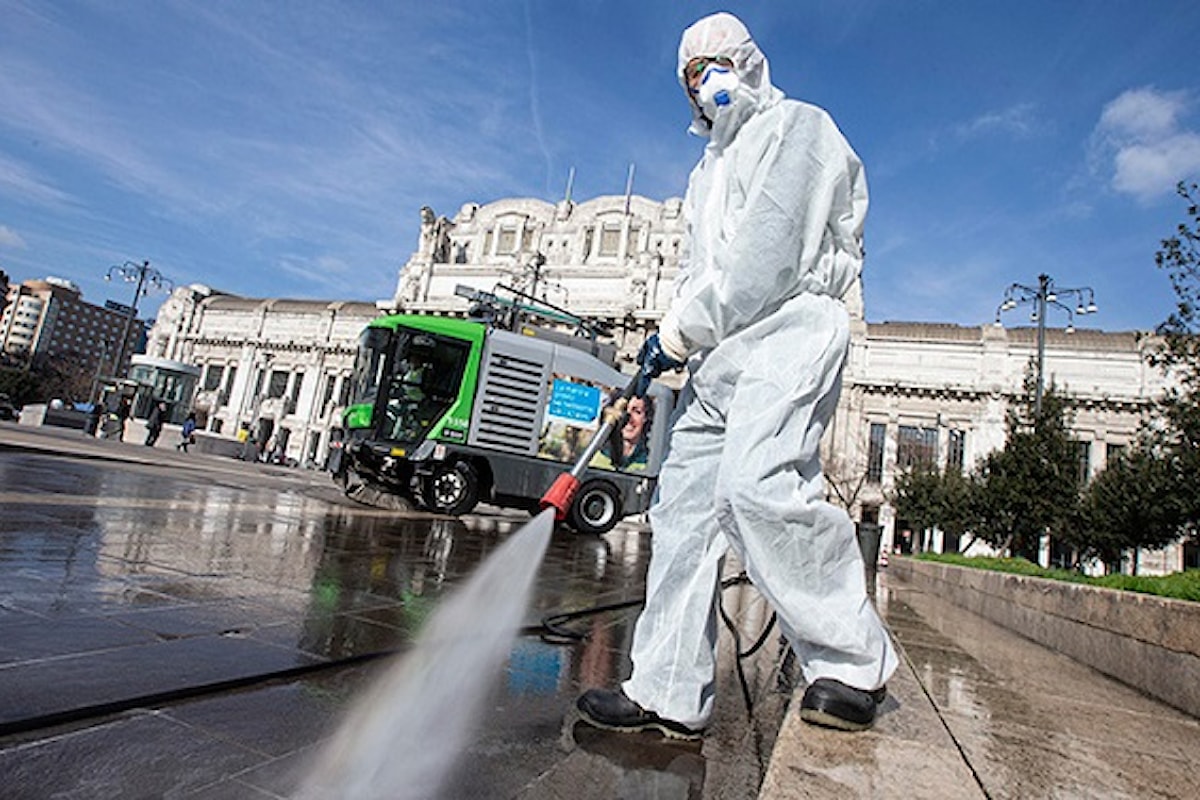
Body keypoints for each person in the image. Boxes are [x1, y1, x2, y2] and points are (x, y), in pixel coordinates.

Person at [576, 12, 897, 739]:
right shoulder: (705, 173)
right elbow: (701, 275)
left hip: (789, 329)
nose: (706, 83)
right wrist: (677, 338)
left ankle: (850, 663)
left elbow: (767, 256)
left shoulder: (799, 130)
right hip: (718, 355)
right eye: (692, 75)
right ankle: (665, 687)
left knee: (761, 486)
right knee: (682, 514)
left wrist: (676, 332)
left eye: (716, 64)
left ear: (749, 61)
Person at [590, 394, 654, 471]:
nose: (628, 418)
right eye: (623, 409)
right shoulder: (593, 456)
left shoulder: (651, 460)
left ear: (646, 418)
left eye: (637, 412)